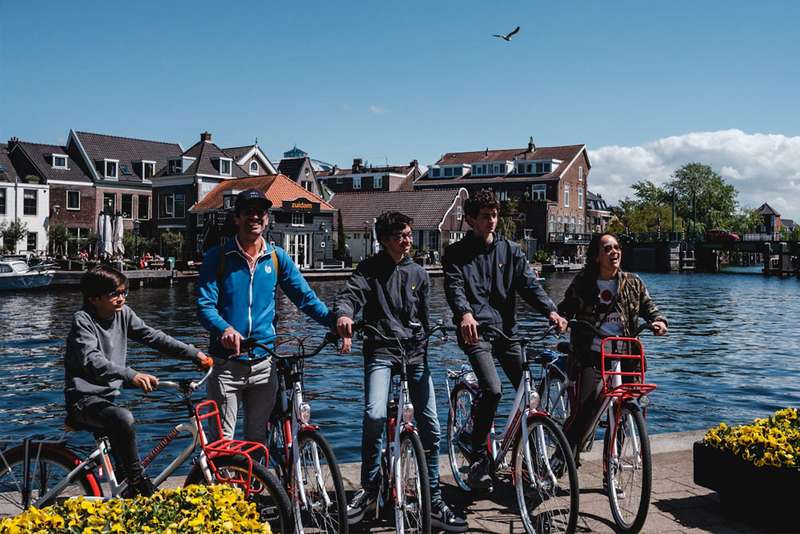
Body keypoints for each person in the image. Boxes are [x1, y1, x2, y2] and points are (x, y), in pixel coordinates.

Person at [336, 211, 468, 532]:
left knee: (432, 426)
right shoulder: (369, 270)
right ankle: (368, 490)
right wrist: (344, 316)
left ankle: (434, 499)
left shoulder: (420, 274)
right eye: (399, 236)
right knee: (375, 415)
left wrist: (433, 332)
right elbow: (350, 295)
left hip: (415, 355)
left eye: (409, 234)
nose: (406, 240)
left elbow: (423, 317)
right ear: (383, 240)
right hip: (381, 351)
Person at [443, 189, 568, 490]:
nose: (491, 221)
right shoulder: (456, 254)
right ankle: (477, 458)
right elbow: (455, 288)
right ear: (470, 219)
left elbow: (529, 285)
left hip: (506, 331)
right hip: (475, 332)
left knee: (531, 393)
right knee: (493, 389)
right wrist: (464, 314)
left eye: (495, 215)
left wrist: (551, 311)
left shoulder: (511, 251)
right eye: (485, 216)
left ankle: (532, 454)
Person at [197, 189, 334, 445]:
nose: (255, 217)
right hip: (227, 364)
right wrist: (224, 328)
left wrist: (334, 321)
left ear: (268, 219)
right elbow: (205, 305)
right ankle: (224, 485)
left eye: (261, 212)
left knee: (258, 440)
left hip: (264, 364)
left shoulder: (276, 257)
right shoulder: (218, 258)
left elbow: (305, 298)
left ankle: (260, 486)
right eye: (248, 212)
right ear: (237, 218)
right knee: (222, 442)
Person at [64, 265, 210, 497]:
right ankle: (139, 480)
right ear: (94, 298)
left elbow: (153, 337)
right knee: (124, 418)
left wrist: (194, 354)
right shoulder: (83, 320)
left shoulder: (123, 314)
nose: (121, 298)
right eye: (115, 294)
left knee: (124, 457)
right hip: (83, 400)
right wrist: (131, 375)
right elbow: (93, 360)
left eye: (124, 292)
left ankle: (130, 493)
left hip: (107, 400)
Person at [558, 232, 667, 468]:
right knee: (585, 411)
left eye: (616, 247)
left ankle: (611, 468)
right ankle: (562, 456)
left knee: (625, 410)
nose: (614, 252)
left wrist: (659, 321)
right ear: (597, 256)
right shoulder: (584, 282)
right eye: (607, 249)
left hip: (626, 355)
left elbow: (650, 308)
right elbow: (566, 308)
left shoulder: (633, 282)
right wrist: (563, 320)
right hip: (593, 354)